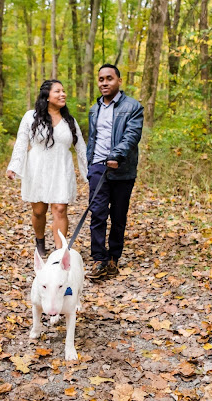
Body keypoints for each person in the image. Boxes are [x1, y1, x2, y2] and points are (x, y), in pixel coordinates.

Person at [6, 79, 88, 256]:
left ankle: (60, 253)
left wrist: (90, 172)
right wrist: (14, 166)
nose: (63, 94)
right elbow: (21, 142)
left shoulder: (69, 120)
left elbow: (81, 147)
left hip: (61, 169)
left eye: (63, 91)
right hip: (37, 169)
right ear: (47, 96)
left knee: (60, 209)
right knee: (39, 211)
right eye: (57, 91)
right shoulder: (31, 116)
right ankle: (40, 241)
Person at [85, 64, 144, 280]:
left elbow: (132, 135)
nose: (104, 83)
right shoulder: (94, 109)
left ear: (119, 81)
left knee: (118, 216)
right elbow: (93, 139)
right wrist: (91, 163)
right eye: (101, 79)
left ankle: (113, 258)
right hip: (98, 168)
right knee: (97, 213)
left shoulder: (133, 107)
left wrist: (116, 156)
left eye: (109, 78)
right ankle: (99, 259)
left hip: (123, 170)